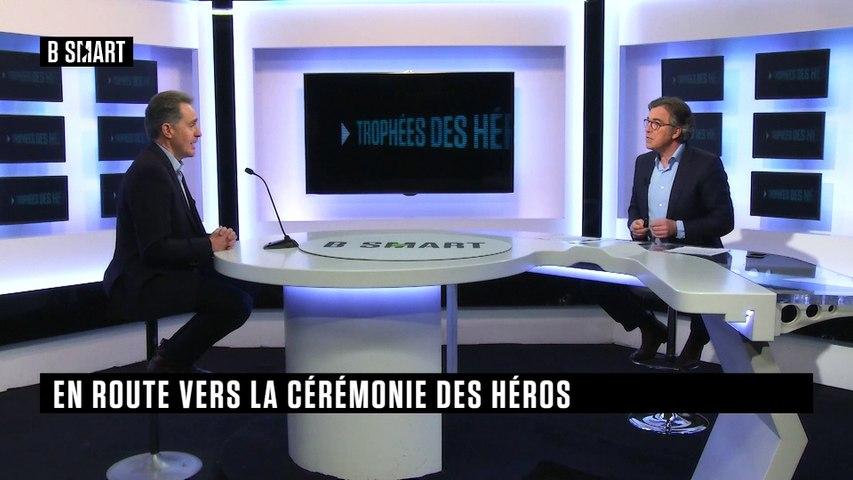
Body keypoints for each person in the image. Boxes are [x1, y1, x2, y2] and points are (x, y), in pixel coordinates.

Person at [103, 90, 252, 373]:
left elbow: (176, 233)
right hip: (143, 281)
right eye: (192, 125)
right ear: (168, 130)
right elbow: (155, 248)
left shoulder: (165, 167)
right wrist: (209, 245)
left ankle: (174, 360)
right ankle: (169, 362)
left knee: (243, 286)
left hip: (162, 271)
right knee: (235, 302)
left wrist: (214, 239)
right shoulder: (150, 171)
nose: (199, 133)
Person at [589, 96, 734, 369]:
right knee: (591, 273)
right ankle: (649, 327)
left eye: (656, 123)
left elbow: (724, 220)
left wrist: (677, 227)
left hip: (695, 257)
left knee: (706, 282)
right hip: (652, 253)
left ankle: (696, 340)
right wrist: (635, 224)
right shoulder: (643, 162)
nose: (647, 128)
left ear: (676, 131)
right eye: (647, 121)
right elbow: (635, 206)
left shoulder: (706, 164)